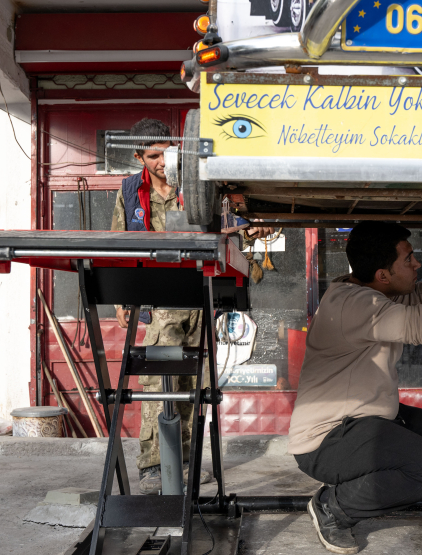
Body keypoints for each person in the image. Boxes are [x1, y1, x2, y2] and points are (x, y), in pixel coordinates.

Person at [288, 222, 422, 553]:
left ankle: (360, 486)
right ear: (383, 275)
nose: (417, 264)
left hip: (357, 422)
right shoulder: (358, 306)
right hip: (325, 441)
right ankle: (333, 508)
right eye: (409, 259)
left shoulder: (364, 291)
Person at [111, 117, 273, 494]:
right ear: (139, 157)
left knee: (193, 382)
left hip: (199, 298)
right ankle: (154, 465)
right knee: (158, 381)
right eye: (153, 156)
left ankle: (183, 461)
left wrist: (253, 226)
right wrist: (121, 298)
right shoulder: (131, 191)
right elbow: (119, 241)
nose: (163, 161)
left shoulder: (198, 184)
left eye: (166, 151)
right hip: (160, 298)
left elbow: (233, 226)